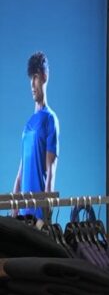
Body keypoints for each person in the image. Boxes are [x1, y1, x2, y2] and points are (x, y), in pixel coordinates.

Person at [15, 51, 58, 204]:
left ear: (45, 77)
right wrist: (13, 208)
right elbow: (21, 173)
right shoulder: (28, 124)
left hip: (38, 211)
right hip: (23, 210)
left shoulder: (50, 119)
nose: (32, 84)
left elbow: (51, 172)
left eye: (35, 77)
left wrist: (46, 211)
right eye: (30, 78)